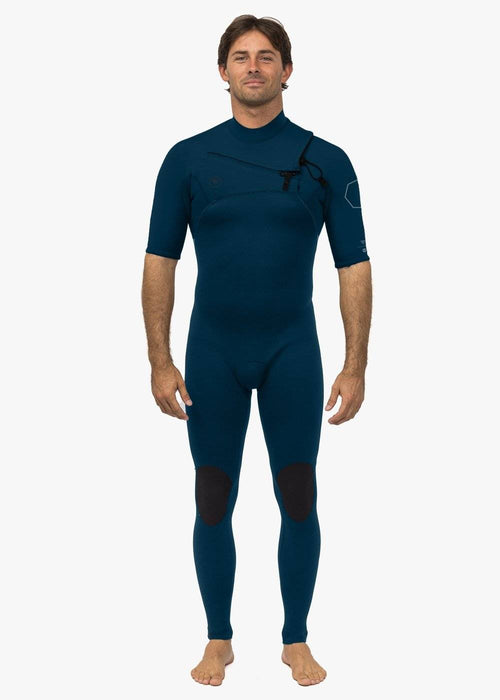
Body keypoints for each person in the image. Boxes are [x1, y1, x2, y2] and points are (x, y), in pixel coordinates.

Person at [141, 14, 372, 687]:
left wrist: (355, 364)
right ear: (222, 72)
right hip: (212, 351)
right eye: (240, 57)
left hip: (291, 351)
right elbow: (159, 261)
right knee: (213, 495)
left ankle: (295, 638)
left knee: (297, 493)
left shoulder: (326, 160)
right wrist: (159, 359)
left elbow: (354, 266)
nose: (253, 66)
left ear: (287, 70)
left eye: (266, 56)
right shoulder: (187, 159)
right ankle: (219, 638)